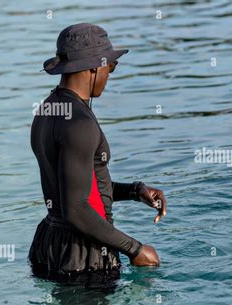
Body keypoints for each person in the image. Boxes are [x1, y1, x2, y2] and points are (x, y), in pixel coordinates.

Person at [29, 23, 166, 279]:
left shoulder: (46, 110)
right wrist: (135, 249)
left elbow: (79, 189)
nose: (109, 75)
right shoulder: (79, 123)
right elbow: (77, 208)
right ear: (95, 66)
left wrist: (135, 191)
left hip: (49, 243)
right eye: (111, 67)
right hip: (82, 254)